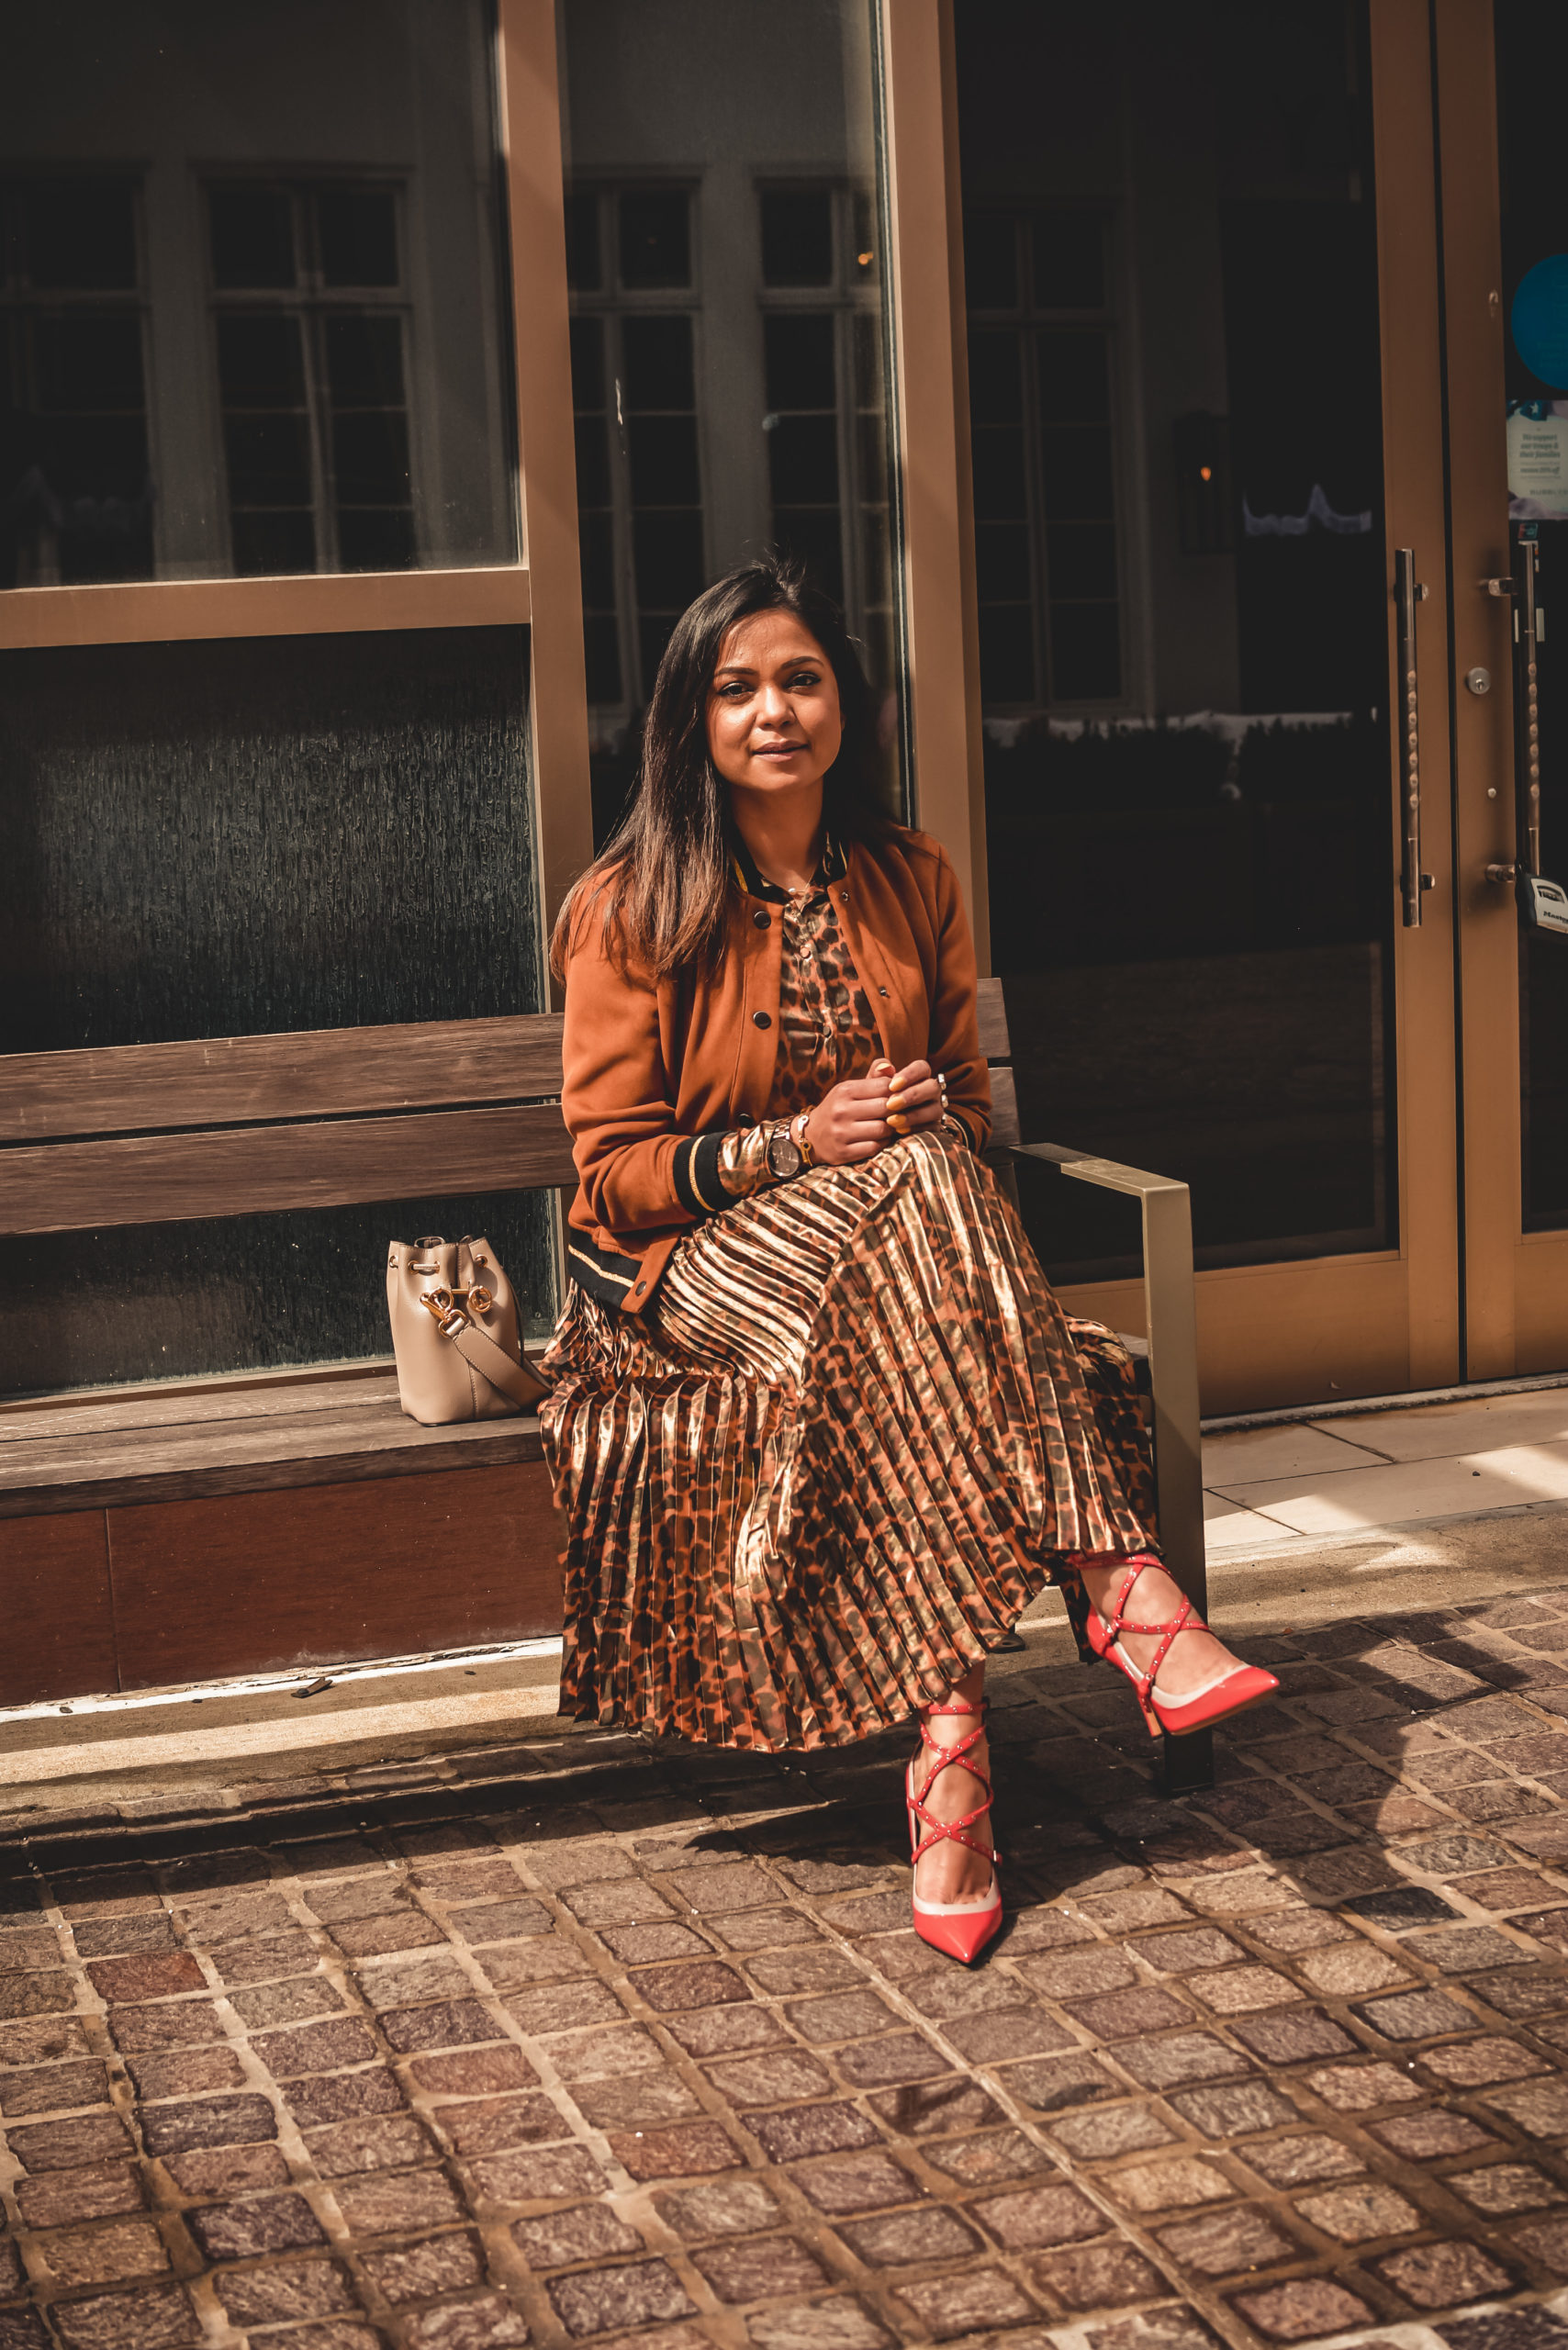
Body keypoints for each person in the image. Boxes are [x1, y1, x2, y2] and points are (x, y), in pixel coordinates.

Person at [540, 556, 1278, 1964]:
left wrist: (918, 1123)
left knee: (929, 1188)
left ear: (846, 701)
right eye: (738, 687)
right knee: (920, 1194)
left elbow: (967, 1107)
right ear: (691, 720)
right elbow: (612, 1173)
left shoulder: (911, 873)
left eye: (802, 680)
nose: (775, 711)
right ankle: (1124, 1596)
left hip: (896, 1265)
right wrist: (795, 1145)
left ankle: (954, 1762)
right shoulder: (629, 903)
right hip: (692, 1271)